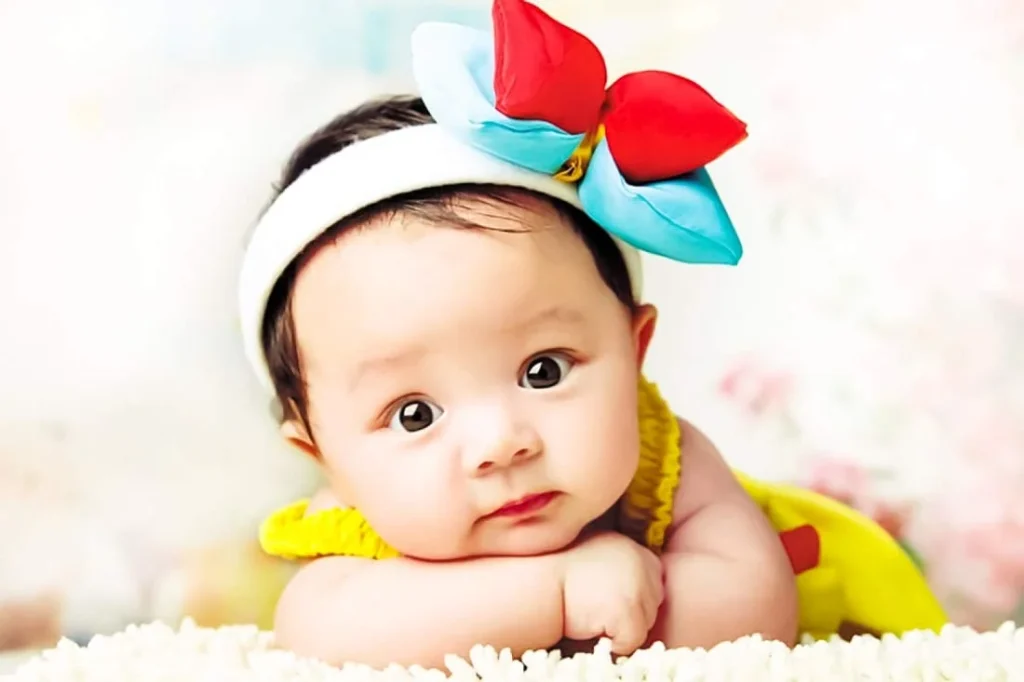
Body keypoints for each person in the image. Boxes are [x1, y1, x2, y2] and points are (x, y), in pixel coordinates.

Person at [238, 0, 947, 669]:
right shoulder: (361, 521)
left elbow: (752, 608)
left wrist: (624, 603)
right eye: (414, 414)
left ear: (634, 352)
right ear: (323, 453)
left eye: (544, 370)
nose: (502, 444)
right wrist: (553, 594)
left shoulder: (663, 466)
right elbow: (317, 635)